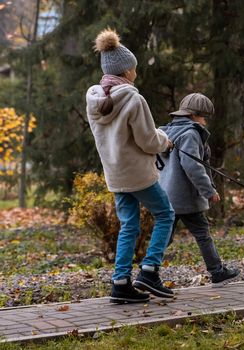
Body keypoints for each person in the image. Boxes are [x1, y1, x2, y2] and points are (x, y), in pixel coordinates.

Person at [86, 29, 175, 303]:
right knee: (165, 215)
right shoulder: (134, 99)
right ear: (127, 70)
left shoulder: (93, 100)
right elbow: (149, 140)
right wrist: (166, 141)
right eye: (134, 68)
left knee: (129, 226)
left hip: (115, 174)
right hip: (138, 175)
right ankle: (149, 270)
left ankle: (121, 282)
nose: (136, 72)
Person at [159, 93, 240, 287]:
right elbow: (193, 166)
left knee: (163, 237)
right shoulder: (191, 134)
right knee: (202, 234)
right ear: (194, 115)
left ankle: (146, 273)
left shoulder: (165, 133)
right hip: (185, 196)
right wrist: (208, 190)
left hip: (164, 194)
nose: (205, 122)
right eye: (204, 117)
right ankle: (217, 272)